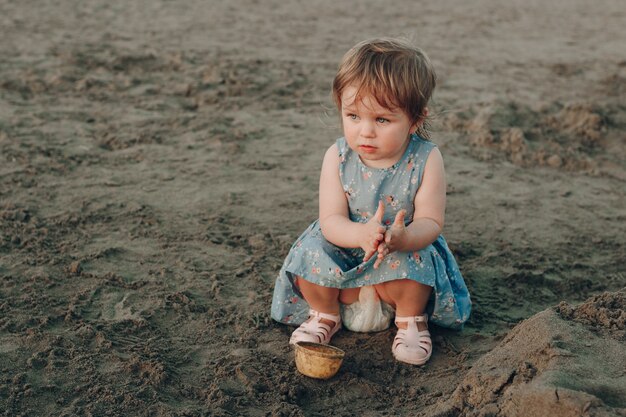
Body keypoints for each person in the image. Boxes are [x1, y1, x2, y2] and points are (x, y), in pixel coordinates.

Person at [270, 38, 471, 366]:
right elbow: (331, 219)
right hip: (347, 249)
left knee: (419, 260)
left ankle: (409, 319)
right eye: (353, 116)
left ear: (416, 119)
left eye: (382, 120)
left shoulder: (426, 158)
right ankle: (325, 312)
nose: (365, 132)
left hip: (397, 252)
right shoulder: (337, 156)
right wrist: (360, 235)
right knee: (308, 253)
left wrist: (404, 237)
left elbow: (431, 222)